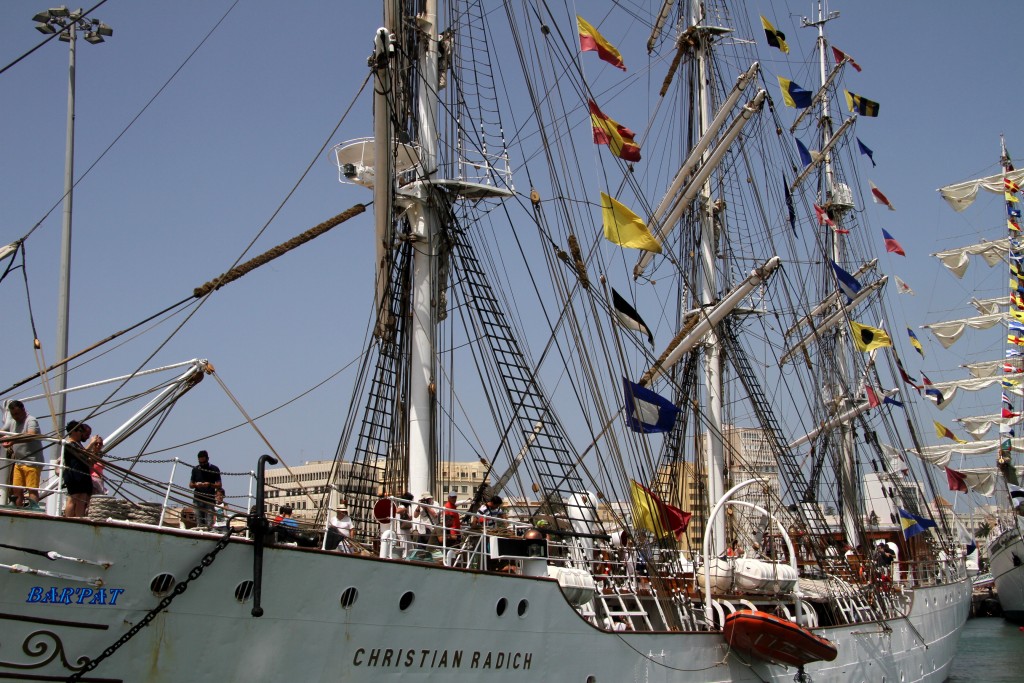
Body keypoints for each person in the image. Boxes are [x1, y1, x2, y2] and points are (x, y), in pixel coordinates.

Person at [2, 400, 43, 508]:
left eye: (18, 413)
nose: (16, 417)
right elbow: (2, 432)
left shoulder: (31, 420)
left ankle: (33, 508)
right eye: (13, 414)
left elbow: (31, 435)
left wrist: (13, 440)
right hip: (19, 462)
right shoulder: (13, 422)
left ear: (23, 410)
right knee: (16, 490)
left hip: (32, 461)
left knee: (32, 489)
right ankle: (16, 509)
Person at [62, 420, 102, 518]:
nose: (81, 433)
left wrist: (95, 452)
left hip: (82, 474)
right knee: (73, 498)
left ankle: (79, 518)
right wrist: (91, 443)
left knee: (82, 498)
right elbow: (81, 454)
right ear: (73, 431)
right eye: (80, 431)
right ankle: (69, 518)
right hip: (74, 475)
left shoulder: (78, 444)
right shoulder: (69, 444)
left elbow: (86, 460)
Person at [189, 450, 221, 528]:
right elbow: (190, 484)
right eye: (201, 463)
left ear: (208, 459)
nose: (202, 464)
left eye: (204, 462)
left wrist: (209, 484)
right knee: (199, 522)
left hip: (209, 499)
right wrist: (197, 485)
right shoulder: (195, 469)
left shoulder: (214, 469)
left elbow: (219, 485)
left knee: (209, 523)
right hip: (198, 498)